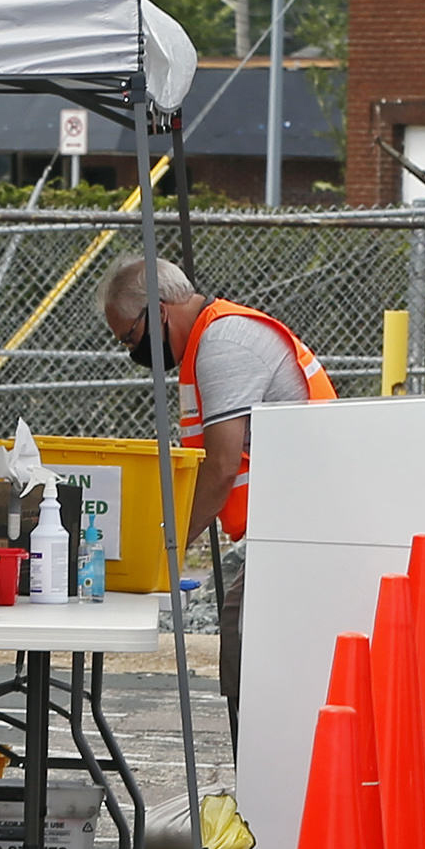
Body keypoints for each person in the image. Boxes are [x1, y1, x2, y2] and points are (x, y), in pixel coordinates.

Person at [99, 255, 335, 727]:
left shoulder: (223, 344)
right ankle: (261, 761)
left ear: (159, 311)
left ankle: (264, 769)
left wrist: (167, 546)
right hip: (297, 523)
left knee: (248, 639)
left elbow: (222, 466)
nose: (132, 352)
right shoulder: (215, 339)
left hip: (311, 528)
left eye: (130, 336)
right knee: (239, 626)